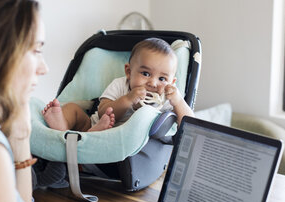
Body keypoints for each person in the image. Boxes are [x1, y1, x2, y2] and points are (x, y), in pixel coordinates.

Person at [0, 0, 209, 202]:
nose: (44, 67)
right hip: (98, 123)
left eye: (163, 77)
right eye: (35, 50)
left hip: (126, 146)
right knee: (76, 111)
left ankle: (69, 134)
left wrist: (21, 138)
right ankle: (72, 131)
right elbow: (105, 107)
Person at [42, 37, 194, 132]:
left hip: (126, 141)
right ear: (129, 71)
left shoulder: (166, 98)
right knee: (72, 108)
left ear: (172, 82)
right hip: (91, 126)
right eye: (145, 74)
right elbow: (102, 112)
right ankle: (61, 127)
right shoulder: (121, 85)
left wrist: (178, 102)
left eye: (162, 79)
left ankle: (94, 133)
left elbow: (190, 126)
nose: (153, 83)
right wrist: (127, 99)